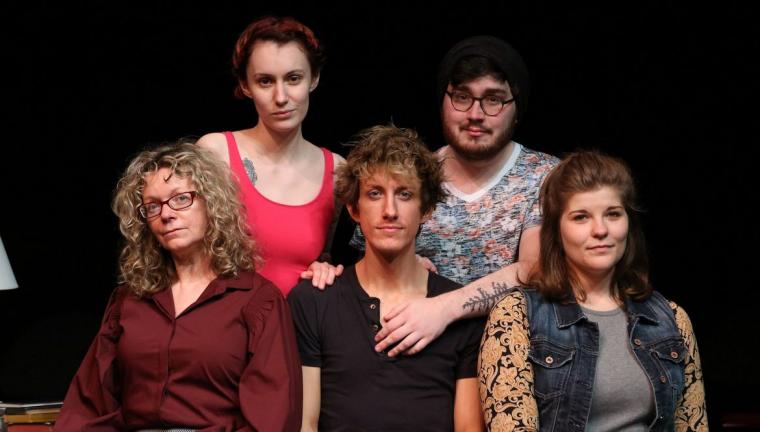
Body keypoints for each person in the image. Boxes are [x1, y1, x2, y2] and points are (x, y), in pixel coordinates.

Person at [55, 142, 302, 431]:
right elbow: (88, 405)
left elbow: (273, 417)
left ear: (212, 203)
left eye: (181, 199)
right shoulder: (129, 299)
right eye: (152, 206)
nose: (166, 214)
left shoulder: (257, 300)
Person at [479, 151, 708, 431]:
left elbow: (693, 425)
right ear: (556, 231)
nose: (600, 230)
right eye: (581, 217)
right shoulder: (516, 316)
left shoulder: (671, 319)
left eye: (613, 214)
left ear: (628, 223)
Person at [366, 35, 559, 356]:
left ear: (516, 107)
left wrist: (444, 308)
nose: (475, 114)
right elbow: (365, 266)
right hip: (418, 358)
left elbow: (534, 270)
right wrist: (398, 265)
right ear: (443, 100)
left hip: (515, 360)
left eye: (493, 99)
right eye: (462, 97)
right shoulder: (410, 176)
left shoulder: (545, 177)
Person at [288, 125, 485, 431]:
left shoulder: (459, 314)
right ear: (353, 208)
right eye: (375, 194)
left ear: (426, 208)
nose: (390, 210)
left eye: (404, 194)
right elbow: (305, 425)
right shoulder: (313, 301)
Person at [198, 16, 344, 295]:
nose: (281, 97)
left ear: (314, 78)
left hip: (295, 320)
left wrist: (326, 268)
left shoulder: (337, 170)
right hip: (224, 318)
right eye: (265, 81)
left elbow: (344, 258)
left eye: (293, 78)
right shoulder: (215, 153)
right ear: (245, 85)